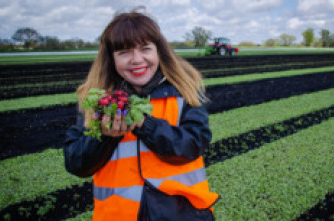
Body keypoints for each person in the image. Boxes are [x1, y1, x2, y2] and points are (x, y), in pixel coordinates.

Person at [63, 8, 219, 221]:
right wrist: (105, 137)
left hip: (182, 214)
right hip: (118, 215)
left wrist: (145, 125)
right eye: (124, 52)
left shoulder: (185, 93)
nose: (136, 59)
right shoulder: (99, 101)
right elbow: (77, 164)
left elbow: (192, 145)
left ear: (158, 51)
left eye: (145, 48)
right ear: (111, 59)